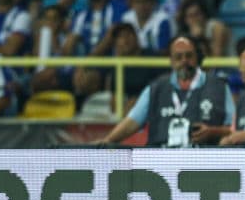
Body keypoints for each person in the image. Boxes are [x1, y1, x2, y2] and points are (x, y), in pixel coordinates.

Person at [99, 35, 234, 147]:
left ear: (197, 58)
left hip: (202, 160)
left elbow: (234, 129)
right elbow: (132, 121)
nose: (184, 61)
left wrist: (213, 132)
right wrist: (108, 140)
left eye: (189, 56)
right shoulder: (156, 88)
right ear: (171, 61)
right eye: (178, 57)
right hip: (160, 159)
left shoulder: (219, 86)